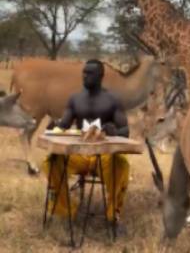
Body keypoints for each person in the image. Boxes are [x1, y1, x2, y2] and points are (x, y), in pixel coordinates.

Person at [41, 59, 130, 230]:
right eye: (84, 72)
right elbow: (64, 126)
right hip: (78, 154)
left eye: (90, 73)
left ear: (101, 76)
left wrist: (114, 132)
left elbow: (125, 132)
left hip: (104, 155)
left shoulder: (113, 100)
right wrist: (53, 126)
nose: (85, 76)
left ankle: (113, 216)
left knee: (122, 164)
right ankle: (67, 210)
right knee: (51, 161)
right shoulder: (75, 99)